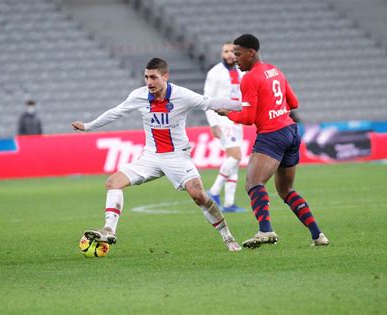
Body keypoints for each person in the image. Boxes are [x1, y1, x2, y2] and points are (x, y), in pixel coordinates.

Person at [72, 58, 243, 252]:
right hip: (151, 156)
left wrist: (245, 105)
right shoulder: (139, 96)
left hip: (177, 156)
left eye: (153, 77)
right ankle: (109, 229)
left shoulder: (182, 95)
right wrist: (88, 126)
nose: (149, 82)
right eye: (146, 77)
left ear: (165, 76)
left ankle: (227, 237)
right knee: (113, 182)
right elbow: (116, 112)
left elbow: (211, 102)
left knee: (198, 195)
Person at [216, 34, 329, 248]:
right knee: (286, 190)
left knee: (253, 183)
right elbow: (293, 102)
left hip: (272, 134)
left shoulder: (249, 78)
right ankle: (318, 235)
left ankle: (265, 231)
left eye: (238, 54)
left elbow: (248, 118)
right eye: (232, 54)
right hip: (291, 131)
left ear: (252, 53)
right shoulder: (274, 70)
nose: (235, 58)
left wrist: (227, 113)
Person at [204, 42, 246, 213]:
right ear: (222, 53)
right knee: (236, 156)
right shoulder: (215, 73)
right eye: (226, 51)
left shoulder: (241, 71)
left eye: (232, 51)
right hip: (223, 119)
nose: (229, 54)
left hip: (238, 119)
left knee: (234, 162)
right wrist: (213, 123)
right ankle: (213, 191)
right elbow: (207, 98)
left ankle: (229, 203)